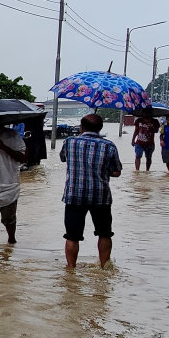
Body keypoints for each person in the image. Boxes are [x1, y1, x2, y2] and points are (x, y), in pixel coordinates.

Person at [60, 113, 122, 268]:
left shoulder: (69, 142)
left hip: (74, 195)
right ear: (100, 128)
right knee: (105, 233)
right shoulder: (109, 146)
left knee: (72, 236)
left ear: (82, 127)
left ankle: (71, 270)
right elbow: (116, 172)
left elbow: (63, 158)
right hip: (100, 196)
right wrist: (101, 170)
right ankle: (104, 267)